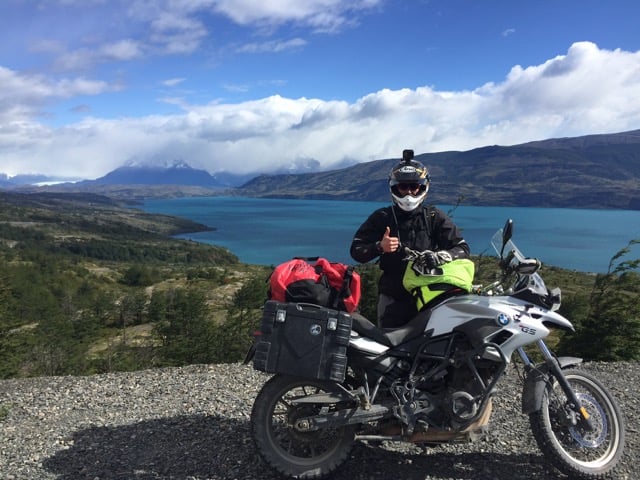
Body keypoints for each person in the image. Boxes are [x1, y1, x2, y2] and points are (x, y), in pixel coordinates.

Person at [350, 149, 470, 328]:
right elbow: (356, 250)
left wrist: (442, 256)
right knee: (388, 348)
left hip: (429, 296)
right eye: (403, 187)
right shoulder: (383, 217)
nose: (409, 193)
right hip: (393, 297)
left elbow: (462, 248)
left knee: (430, 349)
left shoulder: (433, 216)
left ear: (423, 187)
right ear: (394, 187)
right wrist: (379, 247)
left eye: (414, 187)